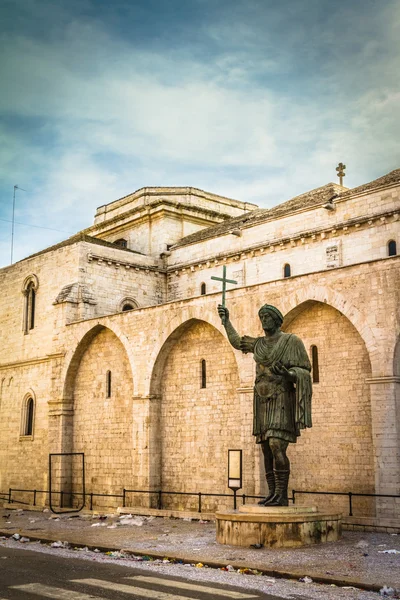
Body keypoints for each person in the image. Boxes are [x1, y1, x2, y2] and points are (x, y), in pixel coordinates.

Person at [217, 303, 312, 506]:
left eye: (267, 317)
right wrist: (226, 322)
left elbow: (304, 369)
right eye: (261, 317)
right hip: (261, 399)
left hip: (280, 397)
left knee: (277, 444)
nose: (264, 321)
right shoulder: (259, 344)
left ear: (277, 320)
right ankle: (272, 493)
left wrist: (288, 374)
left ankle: (282, 494)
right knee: (266, 448)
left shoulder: (290, 341)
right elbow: (237, 342)